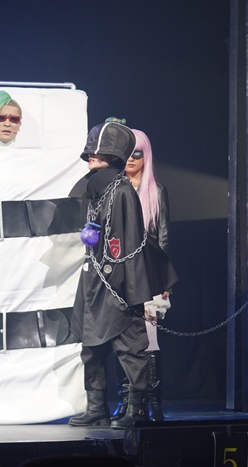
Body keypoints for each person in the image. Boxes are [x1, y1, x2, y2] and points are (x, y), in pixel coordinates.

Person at [67, 120, 177, 429]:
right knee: (91, 344)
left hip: (119, 280)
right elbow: (90, 233)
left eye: (97, 152)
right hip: (95, 278)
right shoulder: (94, 188)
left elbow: (130, 243)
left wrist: (131, 287)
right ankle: (97, 407)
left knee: (129, 345)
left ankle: (136, 408)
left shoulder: (122, 191)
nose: (91, 156)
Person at [109, 128, 172, 423]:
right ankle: (126, 400)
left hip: (148, 275)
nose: (132, 158)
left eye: (138, 153)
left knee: (150, 340)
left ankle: (152, 402)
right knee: (123, 341)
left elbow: (164, 237)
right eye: (128, 152)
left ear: (146, 156)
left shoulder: (156, 191)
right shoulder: (114, 190)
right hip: (120, 277)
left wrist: (162, 282)